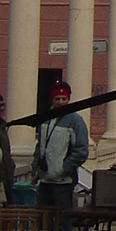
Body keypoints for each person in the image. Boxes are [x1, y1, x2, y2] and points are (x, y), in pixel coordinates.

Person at [34, 82, 89, 216]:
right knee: (43, 218)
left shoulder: (76, 121)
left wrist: (64, 169)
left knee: (62, 219)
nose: (60, 102)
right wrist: (35, 169)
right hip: (44, 179)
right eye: (57, 99)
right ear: (52, 100)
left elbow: (81, 150)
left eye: (64, 99)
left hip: (64, 181)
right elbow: (39, 147)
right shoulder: (45, 119)